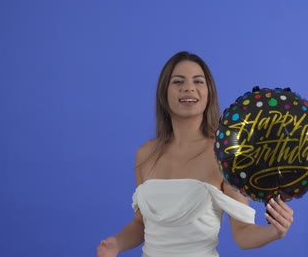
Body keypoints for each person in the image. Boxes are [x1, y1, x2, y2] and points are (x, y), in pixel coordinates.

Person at [97, 51, 294, 257]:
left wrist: (275, 230)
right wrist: (116, 243)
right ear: (164, 92)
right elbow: (140, 224)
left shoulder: (224, 156)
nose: (189, 87)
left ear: (209, 93)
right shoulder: (145, 154)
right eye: (178, 81)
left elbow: (243, 233)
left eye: (198, 81)